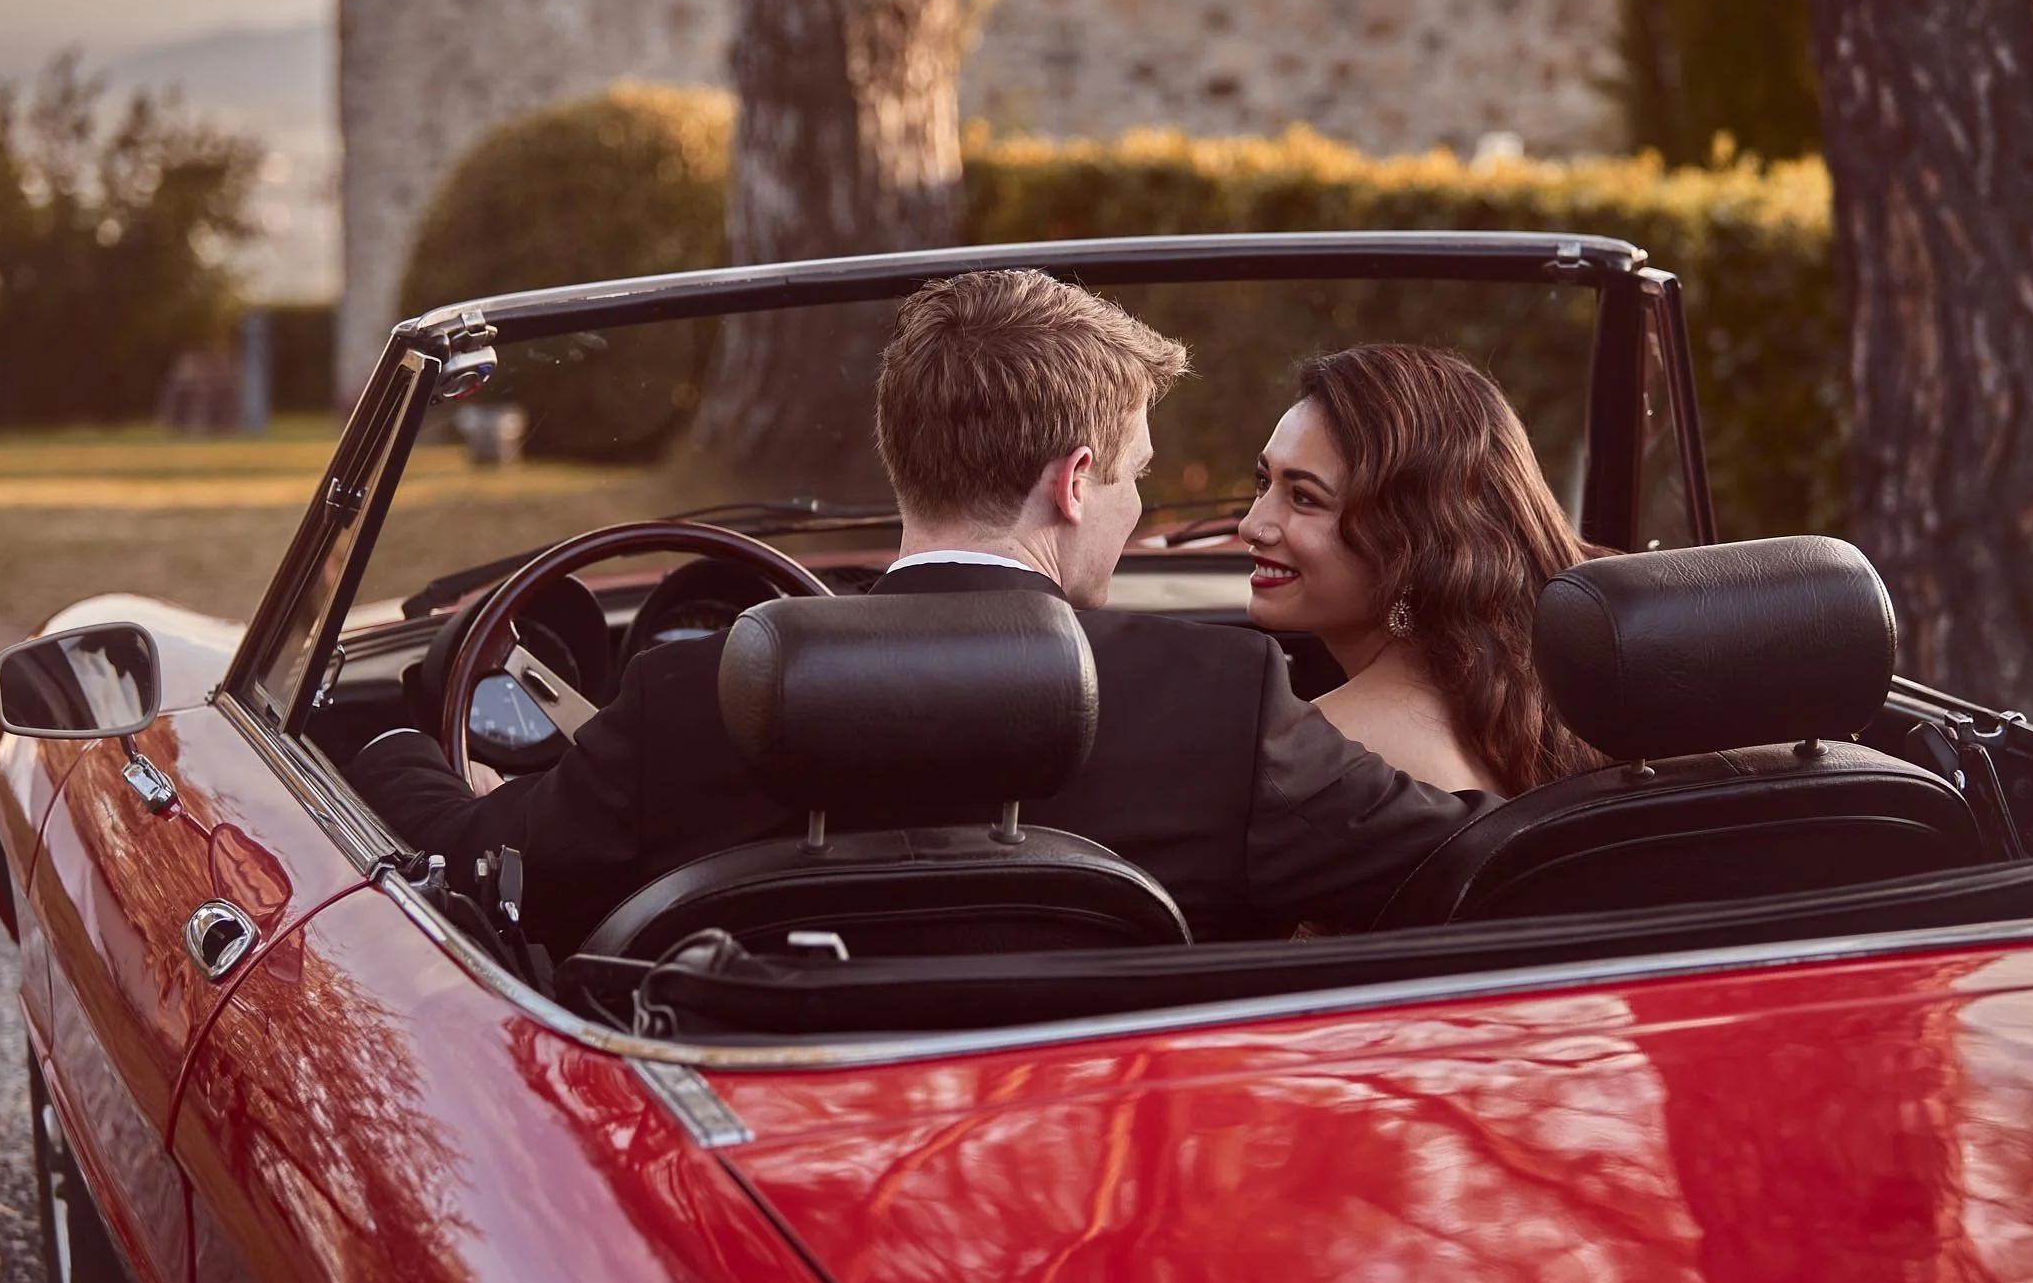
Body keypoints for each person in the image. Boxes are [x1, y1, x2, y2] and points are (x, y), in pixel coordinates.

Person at [348, 270, 1487, 952]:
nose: (1140, 510)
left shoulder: (689, 704)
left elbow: (469, 872)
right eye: (1138, 472)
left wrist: (397, 742)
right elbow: (1472, 869)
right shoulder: (1224, 707)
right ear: (1075, 478)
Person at [1238, 343, 1601, 795]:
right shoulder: (1544, 712)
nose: (1251, 525)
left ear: (1411, 540)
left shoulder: (1322, 753)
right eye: (1263, 482)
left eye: (1304, 498)